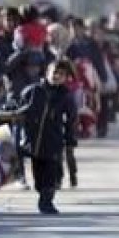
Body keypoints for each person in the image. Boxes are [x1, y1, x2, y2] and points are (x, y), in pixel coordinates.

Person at [7, 59, 77, 214]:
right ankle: (42, 193)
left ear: (66, 77)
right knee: (38, 176)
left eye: (61, 74)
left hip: (53, 141)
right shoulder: (34, 91)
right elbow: (20, 107)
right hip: (34, 142)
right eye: (54, 73)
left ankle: (47, 201)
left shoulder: (65, 96)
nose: (57, 76)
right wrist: (10, 109)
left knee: (50, 174)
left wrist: (70, 140)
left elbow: (71, 120)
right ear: (47, 73)